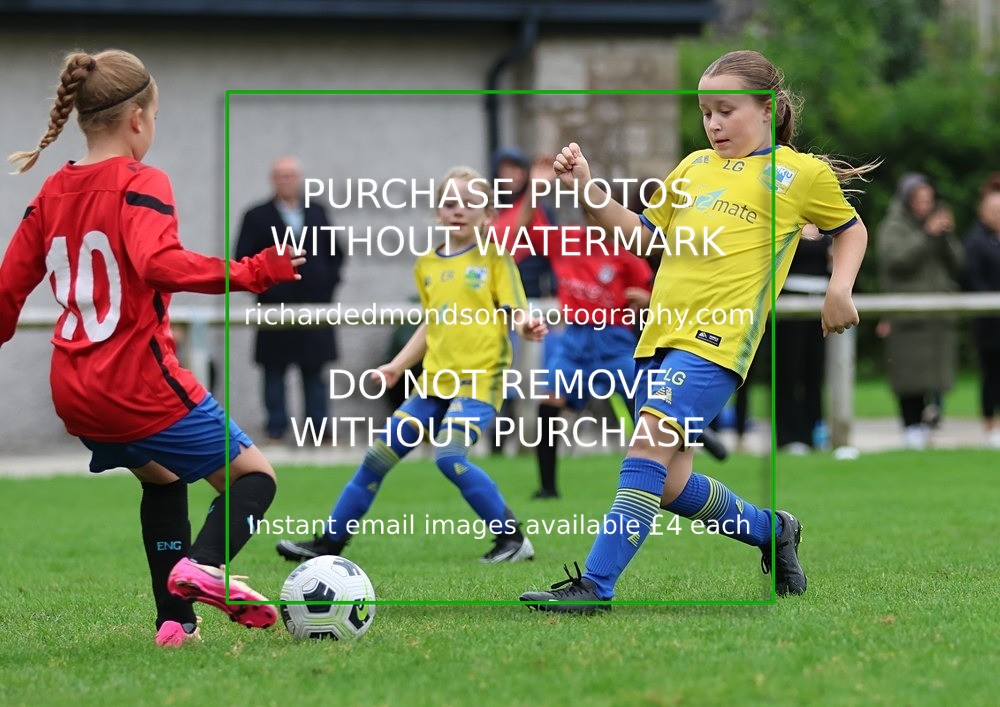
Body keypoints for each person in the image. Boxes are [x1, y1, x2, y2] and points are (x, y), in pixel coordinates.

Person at [520, 49, 873, 611]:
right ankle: (773, 529)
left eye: (725, 111)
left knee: (646, 444)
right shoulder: (693, 167)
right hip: (658, 338)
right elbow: (640, 236)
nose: (713, 123)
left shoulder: (801, 174)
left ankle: (596, 585)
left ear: (765, 108)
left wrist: (839, 289)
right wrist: (586, 186)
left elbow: (851, 230)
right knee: (669, 484)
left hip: (716, 343)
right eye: (706, 112)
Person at [0, 50, 304, 645]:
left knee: (163, 479)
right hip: (137, 385)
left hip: (74, 390)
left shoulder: (53, 190)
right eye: (156, 118)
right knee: (255, 477)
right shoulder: (143, 181)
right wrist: (253, 272)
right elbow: (158, 262)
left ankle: (175, 623)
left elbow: (7, 292)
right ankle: (204, 568)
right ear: (138, 118)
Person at [276, 166, 547, 564]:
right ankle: (329, 543)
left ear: (487, 215)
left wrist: (527, 326)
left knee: (449, 456)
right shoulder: (427, 265)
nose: (458, 209)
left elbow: (516, 310)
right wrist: (396, 366)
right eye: (449, 203)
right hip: (434, 383)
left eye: (470, 203)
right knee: (377, 456)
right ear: (437, 212)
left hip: (480, 382)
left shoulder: (495, 259)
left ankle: (512, 539)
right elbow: (430, 324)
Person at [235, 156, 344, 443]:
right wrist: (266, 290)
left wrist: (325, 286)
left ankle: (319, 430)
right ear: (273, 180)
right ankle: (276, 428)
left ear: (299, 178)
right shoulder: (256, 216)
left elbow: (335, 253)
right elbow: (242, 259)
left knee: (314, 371)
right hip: (274, 307)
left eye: (291, 175)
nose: (286, 181)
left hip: (314, 307)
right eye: (281, 175)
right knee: (274, 371)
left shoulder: (317, 212)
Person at [876, 173, 963, 450]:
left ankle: (931, 421)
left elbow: (959, 264)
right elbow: (897, 260)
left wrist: (945, 236)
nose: (926, 204)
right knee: (909, 376)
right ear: (907, 199)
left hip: (937, 315)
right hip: (908, 316)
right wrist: (927, 235)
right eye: (919, 199)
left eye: (929, 198)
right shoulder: (893, 225)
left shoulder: (937, 226)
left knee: (936, 374)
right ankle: (911, 426)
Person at [774, 226, 831, 452]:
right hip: (790, 304)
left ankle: (814, 432)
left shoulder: (825, 225)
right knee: (789, 371)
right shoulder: (786, 224)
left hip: (820, 303)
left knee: (814, 371)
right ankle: (788, 435)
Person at [962, 174, 1000, 447]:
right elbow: (972, 279)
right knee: (992, 374)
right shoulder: (975, 241)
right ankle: (990, 426)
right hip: (989, 322)